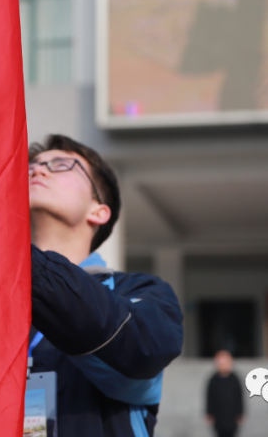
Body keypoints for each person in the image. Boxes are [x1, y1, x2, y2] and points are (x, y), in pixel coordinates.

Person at [28, 134, 184, 437]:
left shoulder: (140, 291)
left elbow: (141, 351)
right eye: (31, 166)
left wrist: (15, 257)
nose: (38, 170)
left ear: (99, 211)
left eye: (61, 165)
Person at [205, 350, 243, 437]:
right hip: (218, 416)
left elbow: (239, 397)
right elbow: (209, 398)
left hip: (231, 415)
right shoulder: (213, 380)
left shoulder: (234, 379)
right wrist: (209, 413)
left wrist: (240, 412)